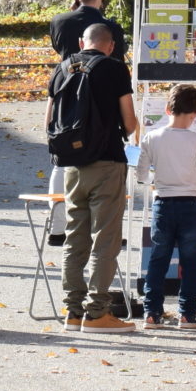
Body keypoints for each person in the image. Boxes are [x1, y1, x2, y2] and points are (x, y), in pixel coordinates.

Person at [49, 21, 139, 332]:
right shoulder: (114, 69)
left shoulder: (62, 68)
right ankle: (98, 312)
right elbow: (129, 124)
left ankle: (73, 312)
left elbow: (49, 119)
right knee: (106, 239)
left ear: (80, 42)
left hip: (73, 165)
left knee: (75, 237)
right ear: (110, 45)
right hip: (107, 163)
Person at [136, 84, 196, 329]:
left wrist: (156, 180)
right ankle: (188, 313)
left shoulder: (152, 137)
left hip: (163, 203)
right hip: (191, 203)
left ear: (168, 109)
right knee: (190, 261)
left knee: (158, 258)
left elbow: (141, 174)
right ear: (195, 114)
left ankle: (152, 312)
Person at [49, 0, 127, 62]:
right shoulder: (112, 28)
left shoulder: (58, 22)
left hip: (70, 73)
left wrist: (73, 14)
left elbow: (59, 49)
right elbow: (118, 60)